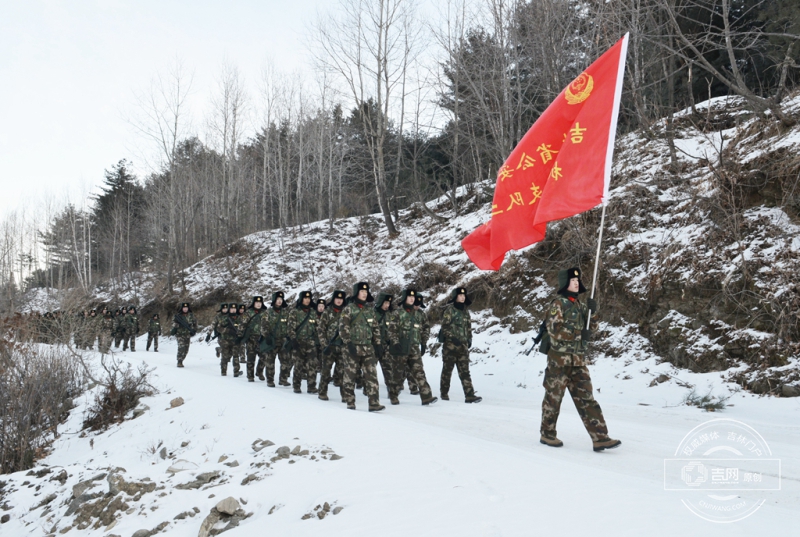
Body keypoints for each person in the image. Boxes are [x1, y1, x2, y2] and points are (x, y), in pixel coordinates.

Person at [539, 267, 621, 452]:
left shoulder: (581, 306)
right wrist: (578, 334)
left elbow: (592, 327)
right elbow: (554, 331)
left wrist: (594, 313)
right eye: (572, 280)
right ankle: (547, 434)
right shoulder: (558, 304)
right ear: (565, 283)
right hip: (558, 362)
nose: (576, 282)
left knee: (587, 399)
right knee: (553, 399)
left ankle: (600, 438)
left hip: (577, 362)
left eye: (578, 280)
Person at [338, 282, 385, 412]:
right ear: (356, 293)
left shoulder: (370, 310)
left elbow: (375, 328)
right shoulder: (348, 309)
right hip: (352, 348)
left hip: (368, 348)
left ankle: (374, 403)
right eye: (362, 291)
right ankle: (350, 401)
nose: (364, 294)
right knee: (350, 375)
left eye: (366, 292)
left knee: (372, 376)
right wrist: (348, 343)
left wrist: (378, 344)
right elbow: (343, 328)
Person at [389, 289, 437, 406]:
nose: (412, 299)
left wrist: (424, 343)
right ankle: (393, 395)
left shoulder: (419, 314)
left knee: (419, 372)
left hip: (414, 347)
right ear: (405, 298)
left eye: (413, 297)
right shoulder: (397, 313)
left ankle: (426, 396)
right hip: (400, 347)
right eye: (410, 297)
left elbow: (424, 329)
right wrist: (395, 342)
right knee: (398, 374)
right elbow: (391, 330)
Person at [439, 287, 481, 403]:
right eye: (460, 295)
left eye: (464, 295)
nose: (463, 297)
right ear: (455, 297)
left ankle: (469, 395)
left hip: (463, 347)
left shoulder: (465, 312)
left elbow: (468, 328)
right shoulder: (449, 310)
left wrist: (469, 339)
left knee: (465, 372)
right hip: (450, 347)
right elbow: (444, 328)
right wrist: (452, 338)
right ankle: (444, 393)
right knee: (447, 371)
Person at [287, 290, 320, 394]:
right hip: (298, 342)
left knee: (312, 365)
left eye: (309, 298)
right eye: (305, 298)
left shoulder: (313, 313)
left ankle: (311, 386)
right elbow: (290, 328)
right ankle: (296, 386)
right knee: (298, 365)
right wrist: (293, 340)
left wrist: (317, 340)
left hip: (310, 343)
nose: (307, 300)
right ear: (301, 299)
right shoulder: (294, 312)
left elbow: (318, 327)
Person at [317, 290, 347, 401]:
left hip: (342, 347)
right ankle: (322, 392)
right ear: (333, 299)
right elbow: (321, 330)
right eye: (337, 298)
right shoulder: (327, 312)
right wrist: (325, 345)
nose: (339, 301)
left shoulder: (346, 312)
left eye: (341, 299)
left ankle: (345, 395)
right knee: (326, 371)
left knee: (342, 372)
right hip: (329, 347)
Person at [261, 292, 292, 387]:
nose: (279, 301)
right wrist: (267, 336)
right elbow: (263, 326)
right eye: (278, 299)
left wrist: (289, 336)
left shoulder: (285, 313)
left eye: (281, 300)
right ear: (274, 300)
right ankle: (270, 380)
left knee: (285, 361)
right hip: (272, 341)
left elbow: (289, 325)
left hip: (283, 341)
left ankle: (283, 379)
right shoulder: (268, 312)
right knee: (270, 362)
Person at [374, 292, 399, 404]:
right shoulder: (372, 314)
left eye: (388, 303)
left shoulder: (389, 315)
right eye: (385, 302)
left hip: (386, 348)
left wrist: (391, 340)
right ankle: (369, 390)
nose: (387, 305)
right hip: (374, 347)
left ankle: (393, 395)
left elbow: (392, 330)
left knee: (389, 371)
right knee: (370, 372)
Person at [214, 303, 244, 377]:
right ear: (229, 309)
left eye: (234, 309)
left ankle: (236, 372)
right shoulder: (224, 318)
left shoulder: (239, 318)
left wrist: (240, 334)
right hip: (225, 340)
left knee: (236, 356)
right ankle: (223, 371)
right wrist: (228, 331)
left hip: (235, 340)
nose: (233, 310)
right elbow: (218, 328)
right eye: (231, 309)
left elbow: (243, 327)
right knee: (225, 356)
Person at [170, 302, 198, 368]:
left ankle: (182, 359)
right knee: (181, 348)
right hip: (180, 334)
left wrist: (194, 330)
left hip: (187, 334)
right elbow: (173, 323)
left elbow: (195, 323)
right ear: (182, 308)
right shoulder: (178, 316)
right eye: (184, 308)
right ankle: (179, 361)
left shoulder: (191, 316)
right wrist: (178, 325)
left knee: (186, 349)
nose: (185, 309)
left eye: (186, 308)